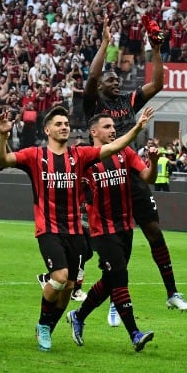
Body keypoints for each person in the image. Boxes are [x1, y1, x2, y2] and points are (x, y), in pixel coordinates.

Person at [0, 105, 154, 352]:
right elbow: (2, 160)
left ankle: (52, 325)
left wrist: (137, 128)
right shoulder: (34, 155)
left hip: (75, 231)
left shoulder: (79, 156)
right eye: (58, 124)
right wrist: (3, 135)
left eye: (66, 124)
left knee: (69, 286)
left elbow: (113, 147)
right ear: (47, 129)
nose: (64, 127)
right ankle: (43, 325)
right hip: (48, 229)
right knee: (59, 278)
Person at [82, 18, 187, 312]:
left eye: (117, 78)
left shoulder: (128, 101)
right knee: (117, 242)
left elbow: (158, 83)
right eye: (111, 79)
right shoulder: (94, 106)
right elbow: (91, 79)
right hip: (105, 177)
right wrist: (105, 44)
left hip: (131, 173)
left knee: (154, 232)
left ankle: (172, 292)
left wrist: (155, 49)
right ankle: (115, 297)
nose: (116, 81)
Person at [66, 109, 160, 352]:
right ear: (93, 132)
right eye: (106, 127)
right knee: (120, 278)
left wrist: (156, 161)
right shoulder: (85, 158)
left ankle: (78, 316)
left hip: (125, 227)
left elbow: (148, 177)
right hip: (102, 230)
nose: (112, 130)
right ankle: (134, 333)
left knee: (111, 280)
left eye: (113, 127)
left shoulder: (125, 153)